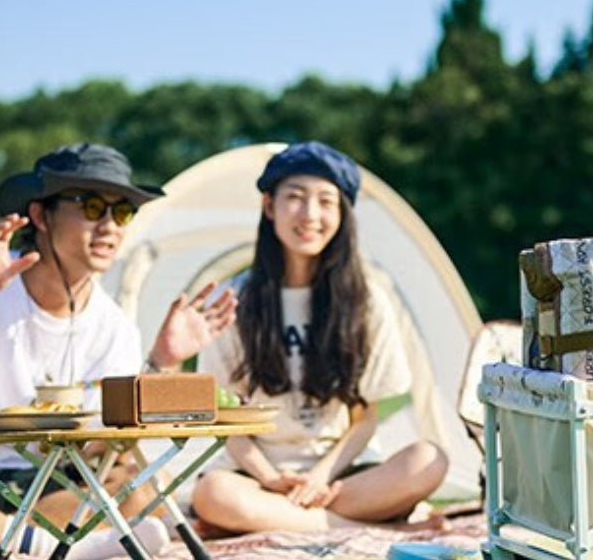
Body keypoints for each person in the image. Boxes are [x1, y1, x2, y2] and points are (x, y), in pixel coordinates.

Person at [0, 143, 237, 560]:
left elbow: (101, 446)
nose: (109, 226)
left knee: (136, 484)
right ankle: (46, 544)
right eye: (91, 206)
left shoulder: (114, 326)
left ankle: (9, 536)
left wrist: (161, 362)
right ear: (40, 215)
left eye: (121, 212)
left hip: (46, 485)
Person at [191, 141, 448, 534]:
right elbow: (224, 423)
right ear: (268, 206)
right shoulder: (234, 300)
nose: (311, 214)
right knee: (213, 493)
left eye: (326, 201)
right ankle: (373, 529)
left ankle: (290, 521)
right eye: (295, 197)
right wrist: (270, 479)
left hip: (343, 475)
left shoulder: (367, 301)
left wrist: (322, 478)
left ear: (343, 215)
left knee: (430, 459)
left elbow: (365, 418)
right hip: (256, 474)